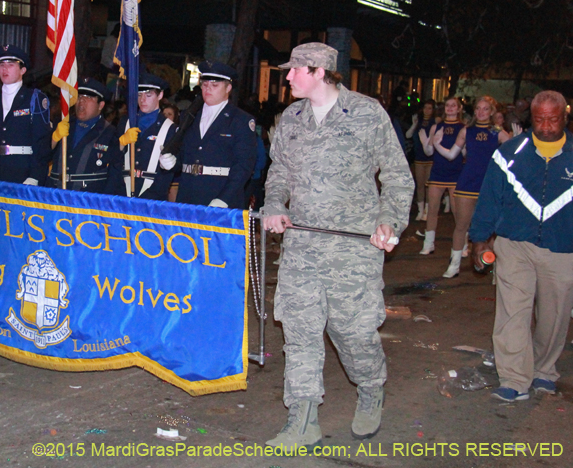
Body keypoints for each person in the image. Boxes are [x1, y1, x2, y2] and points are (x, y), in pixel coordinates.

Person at [261, 43, 413, 447]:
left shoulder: (367, 113)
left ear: (318, 71)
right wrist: (274, 205)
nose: (287, 77)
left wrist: (389, 221)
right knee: (300, 331)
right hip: (302, 246)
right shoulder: (291, 118)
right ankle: (303, 417)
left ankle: (370, 385)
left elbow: (398, 176)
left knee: (353, 331)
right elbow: (278, 171)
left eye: (294, 70)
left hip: (354, 250)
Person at [470, 91, 573, 402]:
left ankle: (544, 369)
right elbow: (490, 198)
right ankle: (514, 378)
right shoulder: (511, 152)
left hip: (562, 246)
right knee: (513, 311)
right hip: (514, 243)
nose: (545, 126)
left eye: (553, 119)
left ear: (564, 118)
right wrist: (479, 238)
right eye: (539, 119)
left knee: (554, 315)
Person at [435, 96, 510, 278]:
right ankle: (454, 264)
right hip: (467, 182)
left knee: (493, 229)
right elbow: (452, 155)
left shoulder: (498, 132)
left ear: (491, 112)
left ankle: (492, 264)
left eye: (485, 109)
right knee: (461, 225)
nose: (481, 112)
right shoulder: (466, 131)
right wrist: (436, 143)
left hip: (489, 185)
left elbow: (513, 157)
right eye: (478, 108)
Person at [166, 62, 256, 209]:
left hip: (219, 194)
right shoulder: (189, 116)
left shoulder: (240, 120)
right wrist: (172, 162)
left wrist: (225, 198)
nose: (208, 89)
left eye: (215, 86)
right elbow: (186, 155)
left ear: (228, 88)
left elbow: (243, 165)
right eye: (205, 84)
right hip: (188, 195)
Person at [0, 44, 51, 185]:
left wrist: (35, 175)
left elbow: (41, 141)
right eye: (1, 65)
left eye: (11, 65)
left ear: (23, 70)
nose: (4, 69)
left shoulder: (34, 98)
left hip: (23, 172)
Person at [106, 73, 177, 200]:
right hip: (122, 193)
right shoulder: (125, 122)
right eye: (139, 95)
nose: (142, 99)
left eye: (148, 95)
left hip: (152, 198)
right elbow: (111, 159)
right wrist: (121, 144)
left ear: (160, 95)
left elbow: (168, 172)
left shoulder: (170, 129)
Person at [48, 78, 116, 192]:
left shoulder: (110, 133)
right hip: (56, 194)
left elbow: (114, 174)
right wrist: (53, 139)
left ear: (101, 105)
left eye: (89, 97)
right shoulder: (63, 124)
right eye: (79, 96)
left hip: (87, 199)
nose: (82, 101)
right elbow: (41, 156)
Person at [417, 97, 464, 255]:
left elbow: (465, 153)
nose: (450, 108)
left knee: (457, 212)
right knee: (432, 210)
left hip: (455, 173)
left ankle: (463, 245)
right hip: (437, 172)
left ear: (459, 109)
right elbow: (429, 152)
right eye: (448, 105)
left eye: (453, 106)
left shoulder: (463, 128)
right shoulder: (436, 127)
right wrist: (429, 142)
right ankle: (428, 243)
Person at [406, 100, 437, 221]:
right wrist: (414, 125)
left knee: (429, 185)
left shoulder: (435, 121)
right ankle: (420, 210)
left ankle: (428, 211)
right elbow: (408, 135)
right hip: (419, 156)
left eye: (430, 108)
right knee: (419, 185)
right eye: (425, 108)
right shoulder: (418, 121)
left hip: (431, 157)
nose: (427, 110)